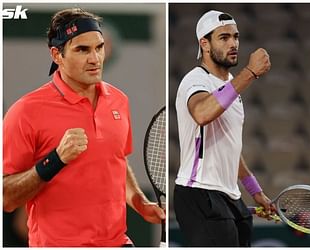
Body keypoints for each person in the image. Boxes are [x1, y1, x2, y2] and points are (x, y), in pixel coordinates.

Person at [2, 8, 165, 247]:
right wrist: (56, 159)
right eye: (82, 50)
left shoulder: (119, 100)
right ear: (57, 55)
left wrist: (138, 201)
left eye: (98, 48)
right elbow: (7, 198)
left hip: (117, 242)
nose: (95, 58)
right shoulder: (25, 111)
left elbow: (117, 160)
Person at [174, 10, 274, 247]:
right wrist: (249, 73)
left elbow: (229, 145)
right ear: (204, 44)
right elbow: (201, 113)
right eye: (224, 37)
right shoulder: (195, 80)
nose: (233, 44)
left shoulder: (230, 86)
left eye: (236, 37)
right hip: (199, 192)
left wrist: (256, 191)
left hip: (230, 196)